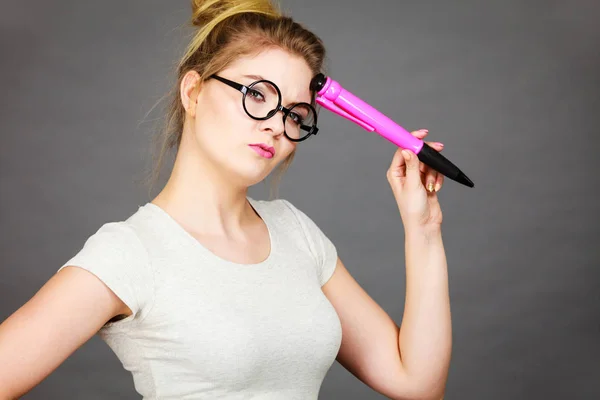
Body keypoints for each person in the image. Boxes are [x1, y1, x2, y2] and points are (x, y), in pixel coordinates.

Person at [0, 1, 451, 399]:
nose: (277, 125)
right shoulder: (131, 252)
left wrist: (423, 229)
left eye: (295, 114)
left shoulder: (296, 233)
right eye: (257, 94)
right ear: (193, 92)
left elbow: (416, 383)